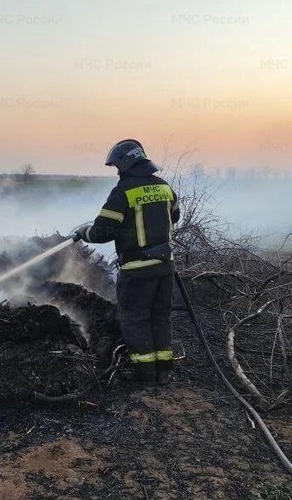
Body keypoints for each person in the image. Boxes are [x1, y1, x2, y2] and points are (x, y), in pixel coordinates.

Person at [74, 139, 180, 387]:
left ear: (125, 164)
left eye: (117, 167)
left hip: (137, 270)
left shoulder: (124, 192)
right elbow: (174, 215)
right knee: (160, 316)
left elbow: (102, 232)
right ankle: (164, 371)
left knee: (135, 318)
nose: (117, 172)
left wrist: (83, 232)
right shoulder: (164, 187)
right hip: (165, 268)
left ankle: (145, 374)